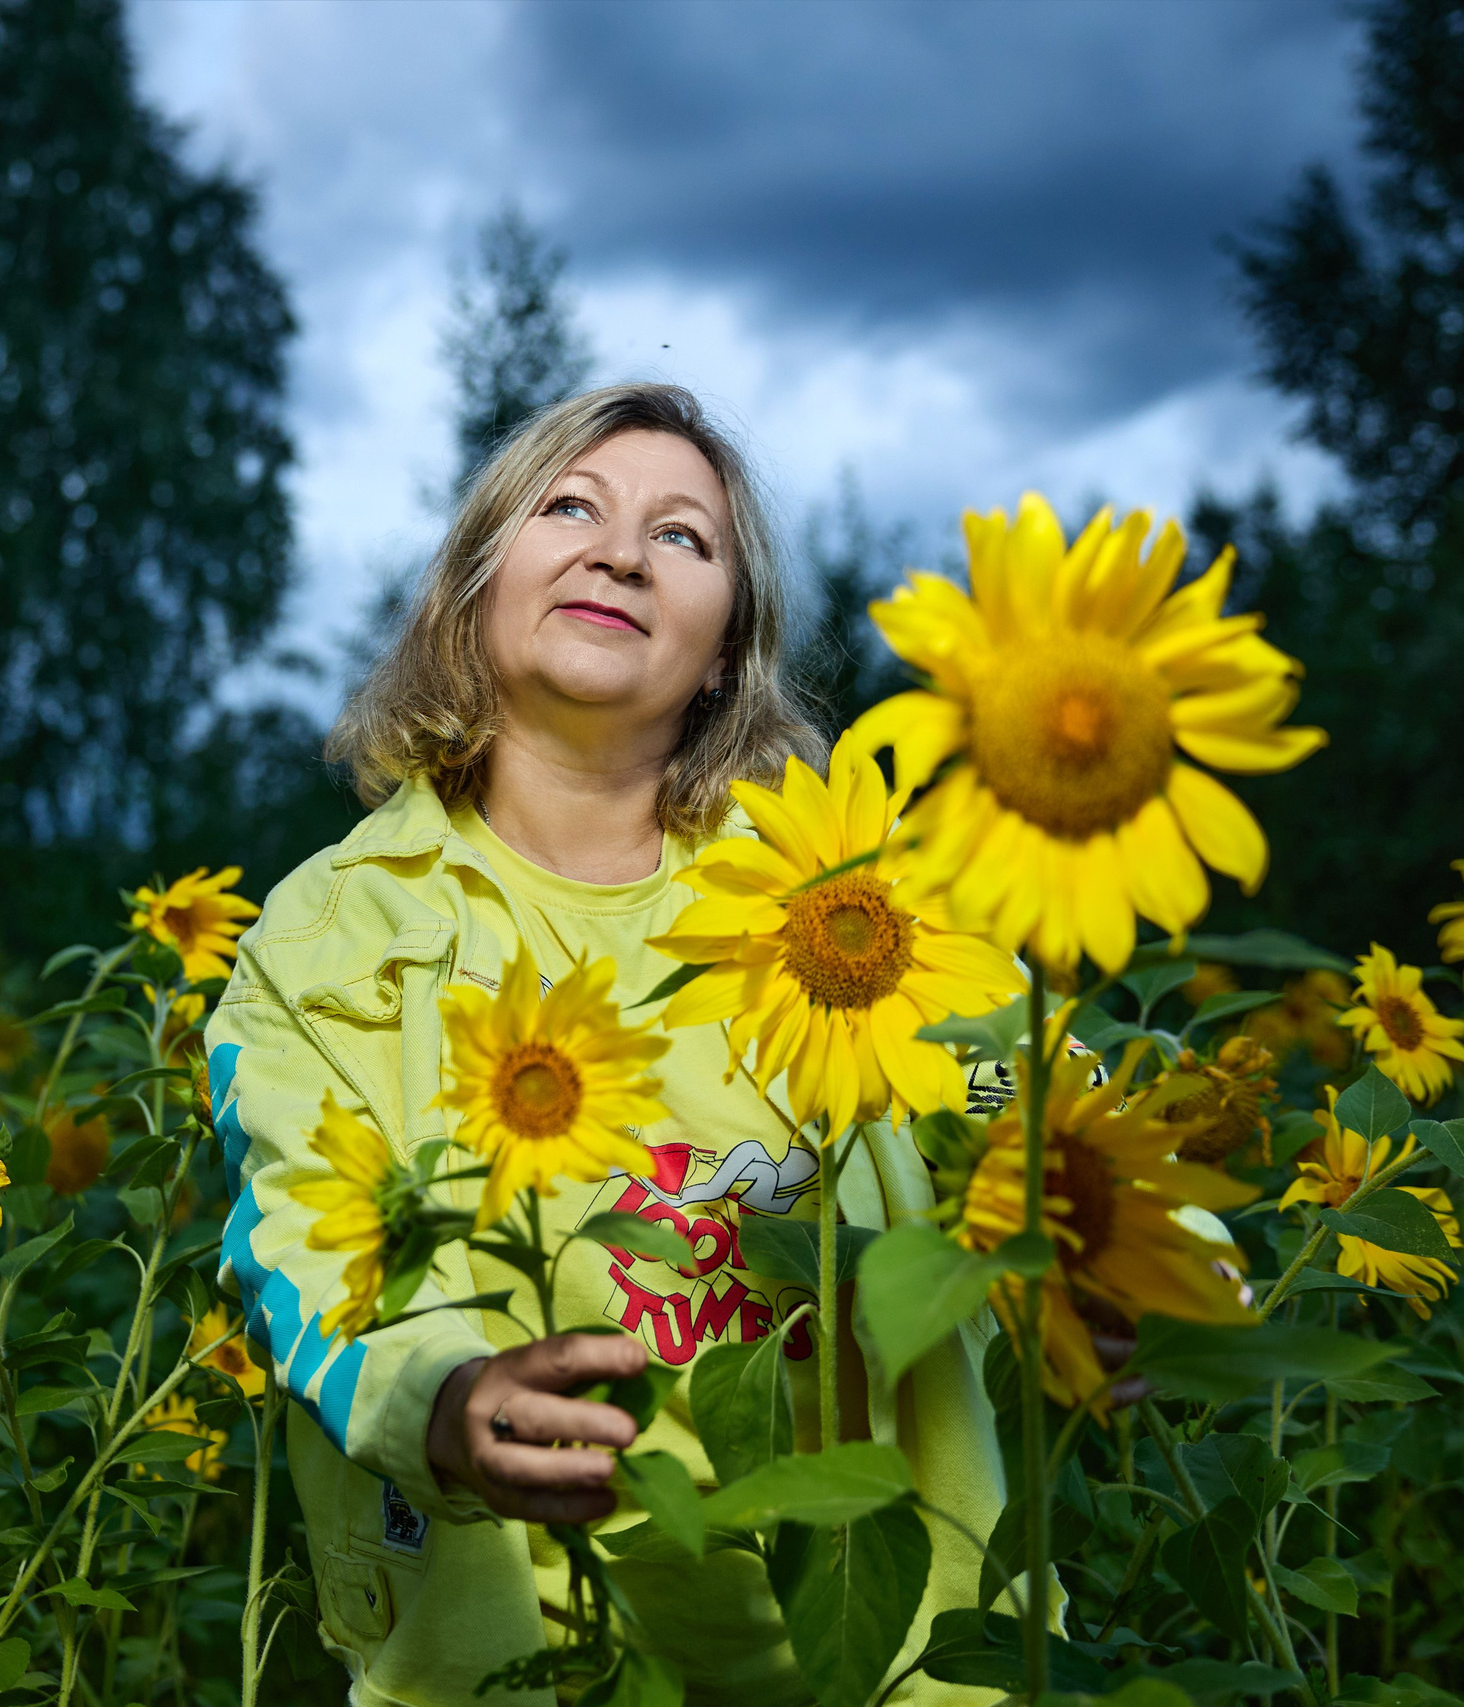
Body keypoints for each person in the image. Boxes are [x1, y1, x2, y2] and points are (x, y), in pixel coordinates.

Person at [203, 383, 1004, 1706]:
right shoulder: (328, 936)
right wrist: (444, 1399)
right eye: (569, 507)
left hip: (882, 1656)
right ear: (474, 584)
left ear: (724, 647)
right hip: (508, 1647)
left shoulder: (850, 903)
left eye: (683, 536)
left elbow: (1025, 1110)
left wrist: (1110, 1265)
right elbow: (296, 1245)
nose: (622, 551)